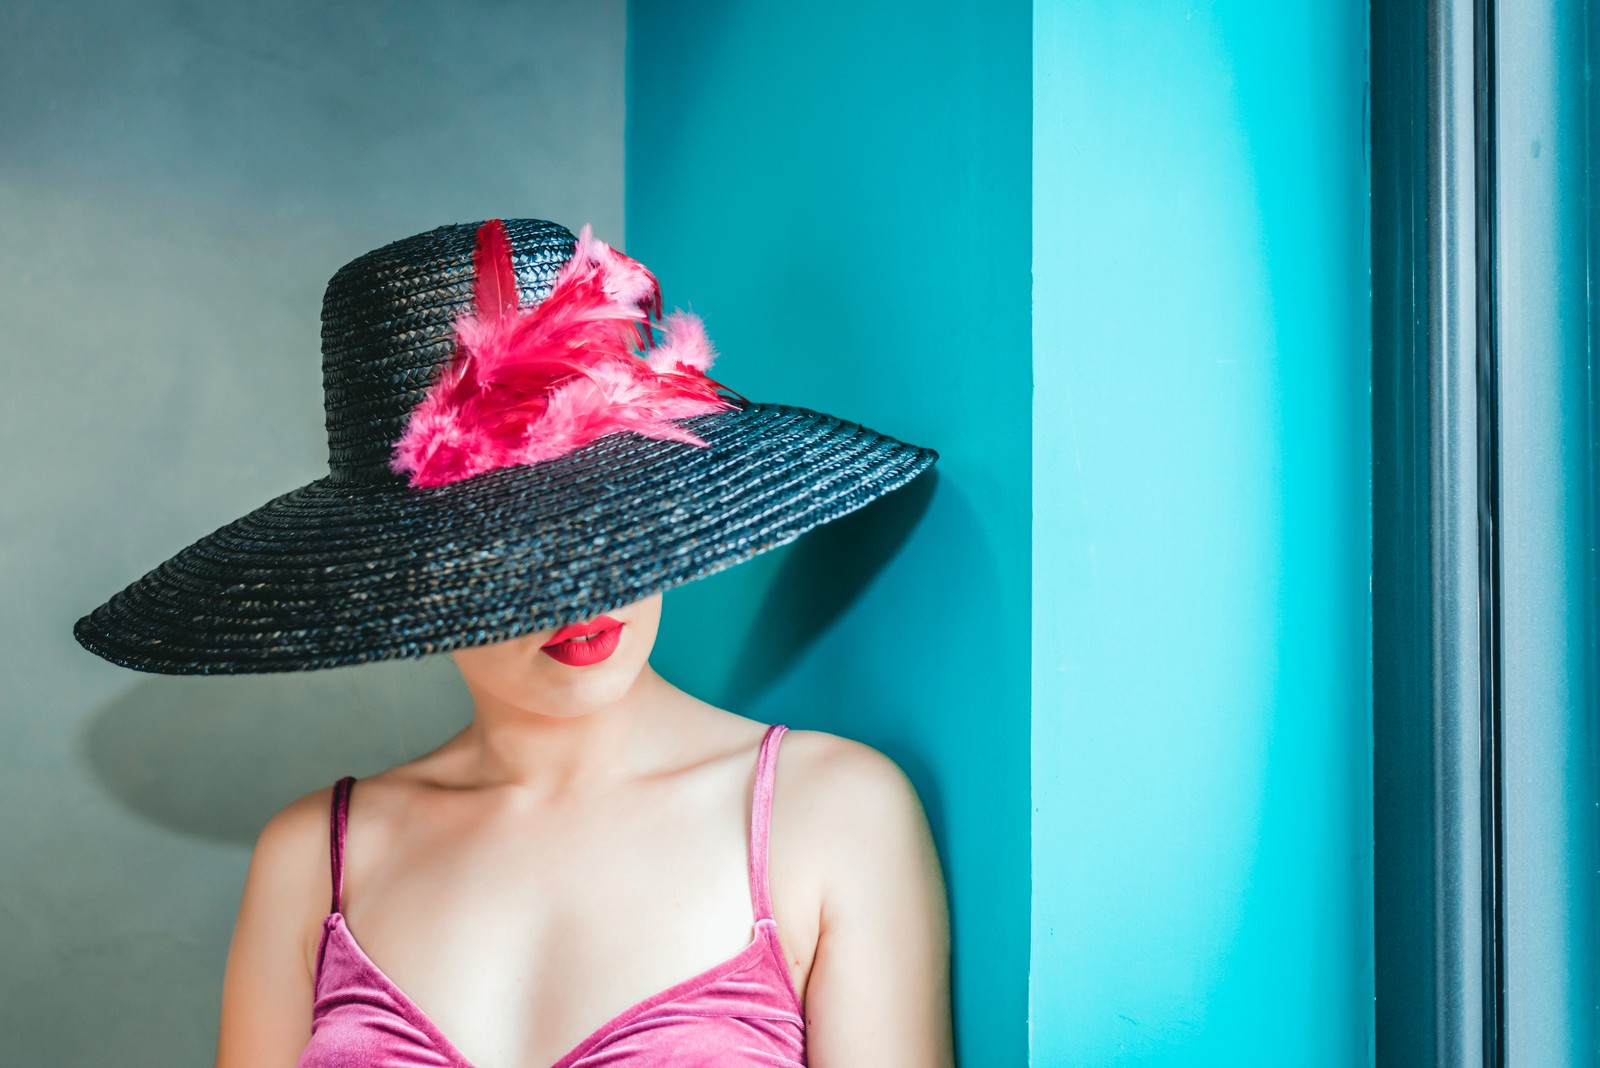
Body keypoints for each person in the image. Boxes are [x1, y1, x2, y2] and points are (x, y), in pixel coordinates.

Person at [74, 219, 952, 1066]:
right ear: (399, 572)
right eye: (499, 547)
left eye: (605, 516)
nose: (578, 593)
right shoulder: (313, 857)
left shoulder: (831, 814)